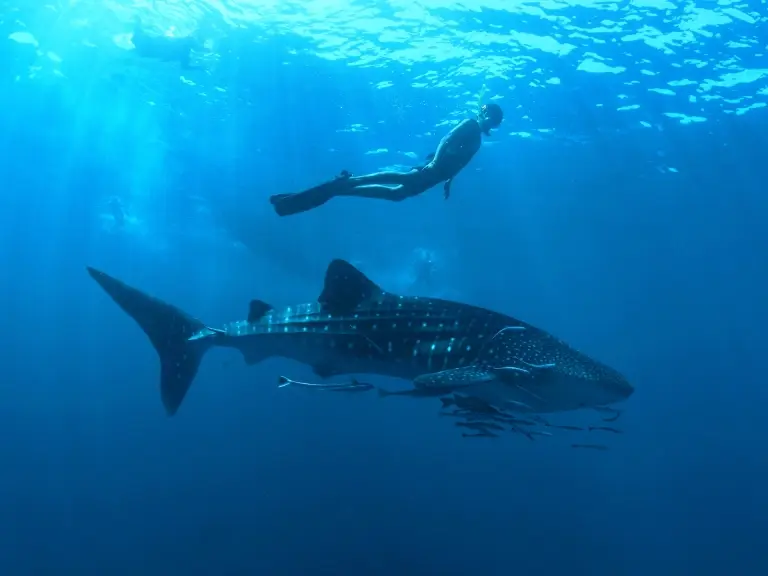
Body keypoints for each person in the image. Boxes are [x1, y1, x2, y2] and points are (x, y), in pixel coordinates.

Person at [270, 103, 504, 217]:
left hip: (438, 176)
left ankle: (344, 187)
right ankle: (350, 182)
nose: (491, 123)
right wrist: (436, 163)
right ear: (485, 115)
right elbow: (446, 139)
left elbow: (461, 162)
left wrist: (449, 181)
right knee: (401, 179)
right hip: (433, 169)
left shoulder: (478, 139)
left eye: (495, 121)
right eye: (491, 118)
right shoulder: (470, 125)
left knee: (397, 194)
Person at [131, 17, 202, 69]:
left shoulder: (184, 52)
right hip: (149, 50)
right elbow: (185, 67)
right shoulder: (184, 53)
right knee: (143, 38)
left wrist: (199, 68)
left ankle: (138, 25)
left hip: (149, 49)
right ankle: (138, 24)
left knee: (142, 37)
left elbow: (185, 67)